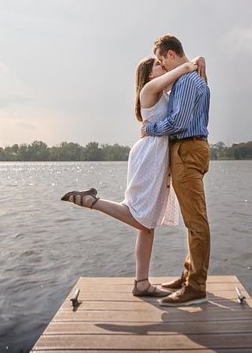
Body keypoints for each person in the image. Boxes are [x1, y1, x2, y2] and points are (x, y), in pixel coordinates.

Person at [60, 54, 205, 298]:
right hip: (149, 155)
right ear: (149, 73)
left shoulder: (162, 92)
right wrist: (191, 64)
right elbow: (181, 70)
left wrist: (200, 59)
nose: (163, 65)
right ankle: (92, 202)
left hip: (157, 157)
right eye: (158, 64)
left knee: (147, 226)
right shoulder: (148, 89)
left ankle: (141, 283)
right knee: (141, 218)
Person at [141, 34, 211, 307]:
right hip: (192, 148)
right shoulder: (195, 78)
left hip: (186, 149)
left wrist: (151, 128)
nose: (161, 65)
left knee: (196, 221)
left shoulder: (186, 81)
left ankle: (196, 287)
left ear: (171, 55)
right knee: (193, 219)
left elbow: (178, 122)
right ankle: (188, 276)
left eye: (161, 60)